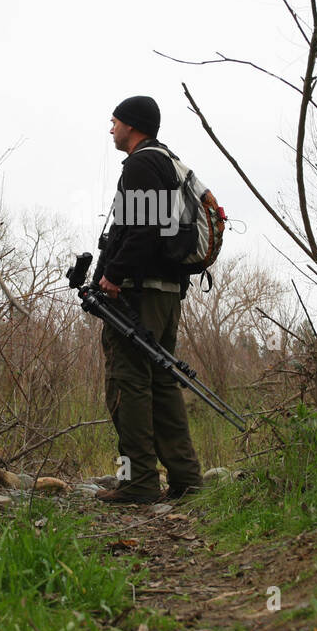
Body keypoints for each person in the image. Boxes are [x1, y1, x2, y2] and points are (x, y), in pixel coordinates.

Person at [92, 95, 203, 505]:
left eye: (115, 121)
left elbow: (142, 229)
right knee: (162, 382)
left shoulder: (141, 164)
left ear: (132, 125)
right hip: (168, 292)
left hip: (141, 295)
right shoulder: (166, 162)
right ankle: (186, 479)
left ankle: (138, 482)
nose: (111, 129)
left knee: (130, 383)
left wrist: (112, 276)